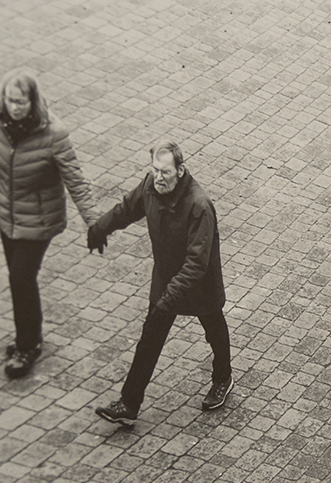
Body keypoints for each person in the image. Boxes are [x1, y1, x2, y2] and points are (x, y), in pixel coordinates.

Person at [0, 71, 100, 378]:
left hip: (40, 219)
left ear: (33, 100)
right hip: (7, 216)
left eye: (21, 101)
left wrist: (95, 223)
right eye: (10, 100)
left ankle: (28, 345)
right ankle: (28, 336)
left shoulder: (53, 133)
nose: (15, 107)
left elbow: (76, 180)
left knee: (20, 276)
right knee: (19, 279)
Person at [87, 140, 232, 426]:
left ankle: (222, 376)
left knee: (213, 327)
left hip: (198, 284)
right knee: (149, 340)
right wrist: (100, 227)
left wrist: (169, 298)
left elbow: (197, 264)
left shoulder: (199, 206)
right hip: (166, 278)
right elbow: (126, 209)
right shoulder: (150, 188)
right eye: (155, 170)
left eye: (165, 172)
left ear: (181, 170)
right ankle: (129, 403)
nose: (159, 177)